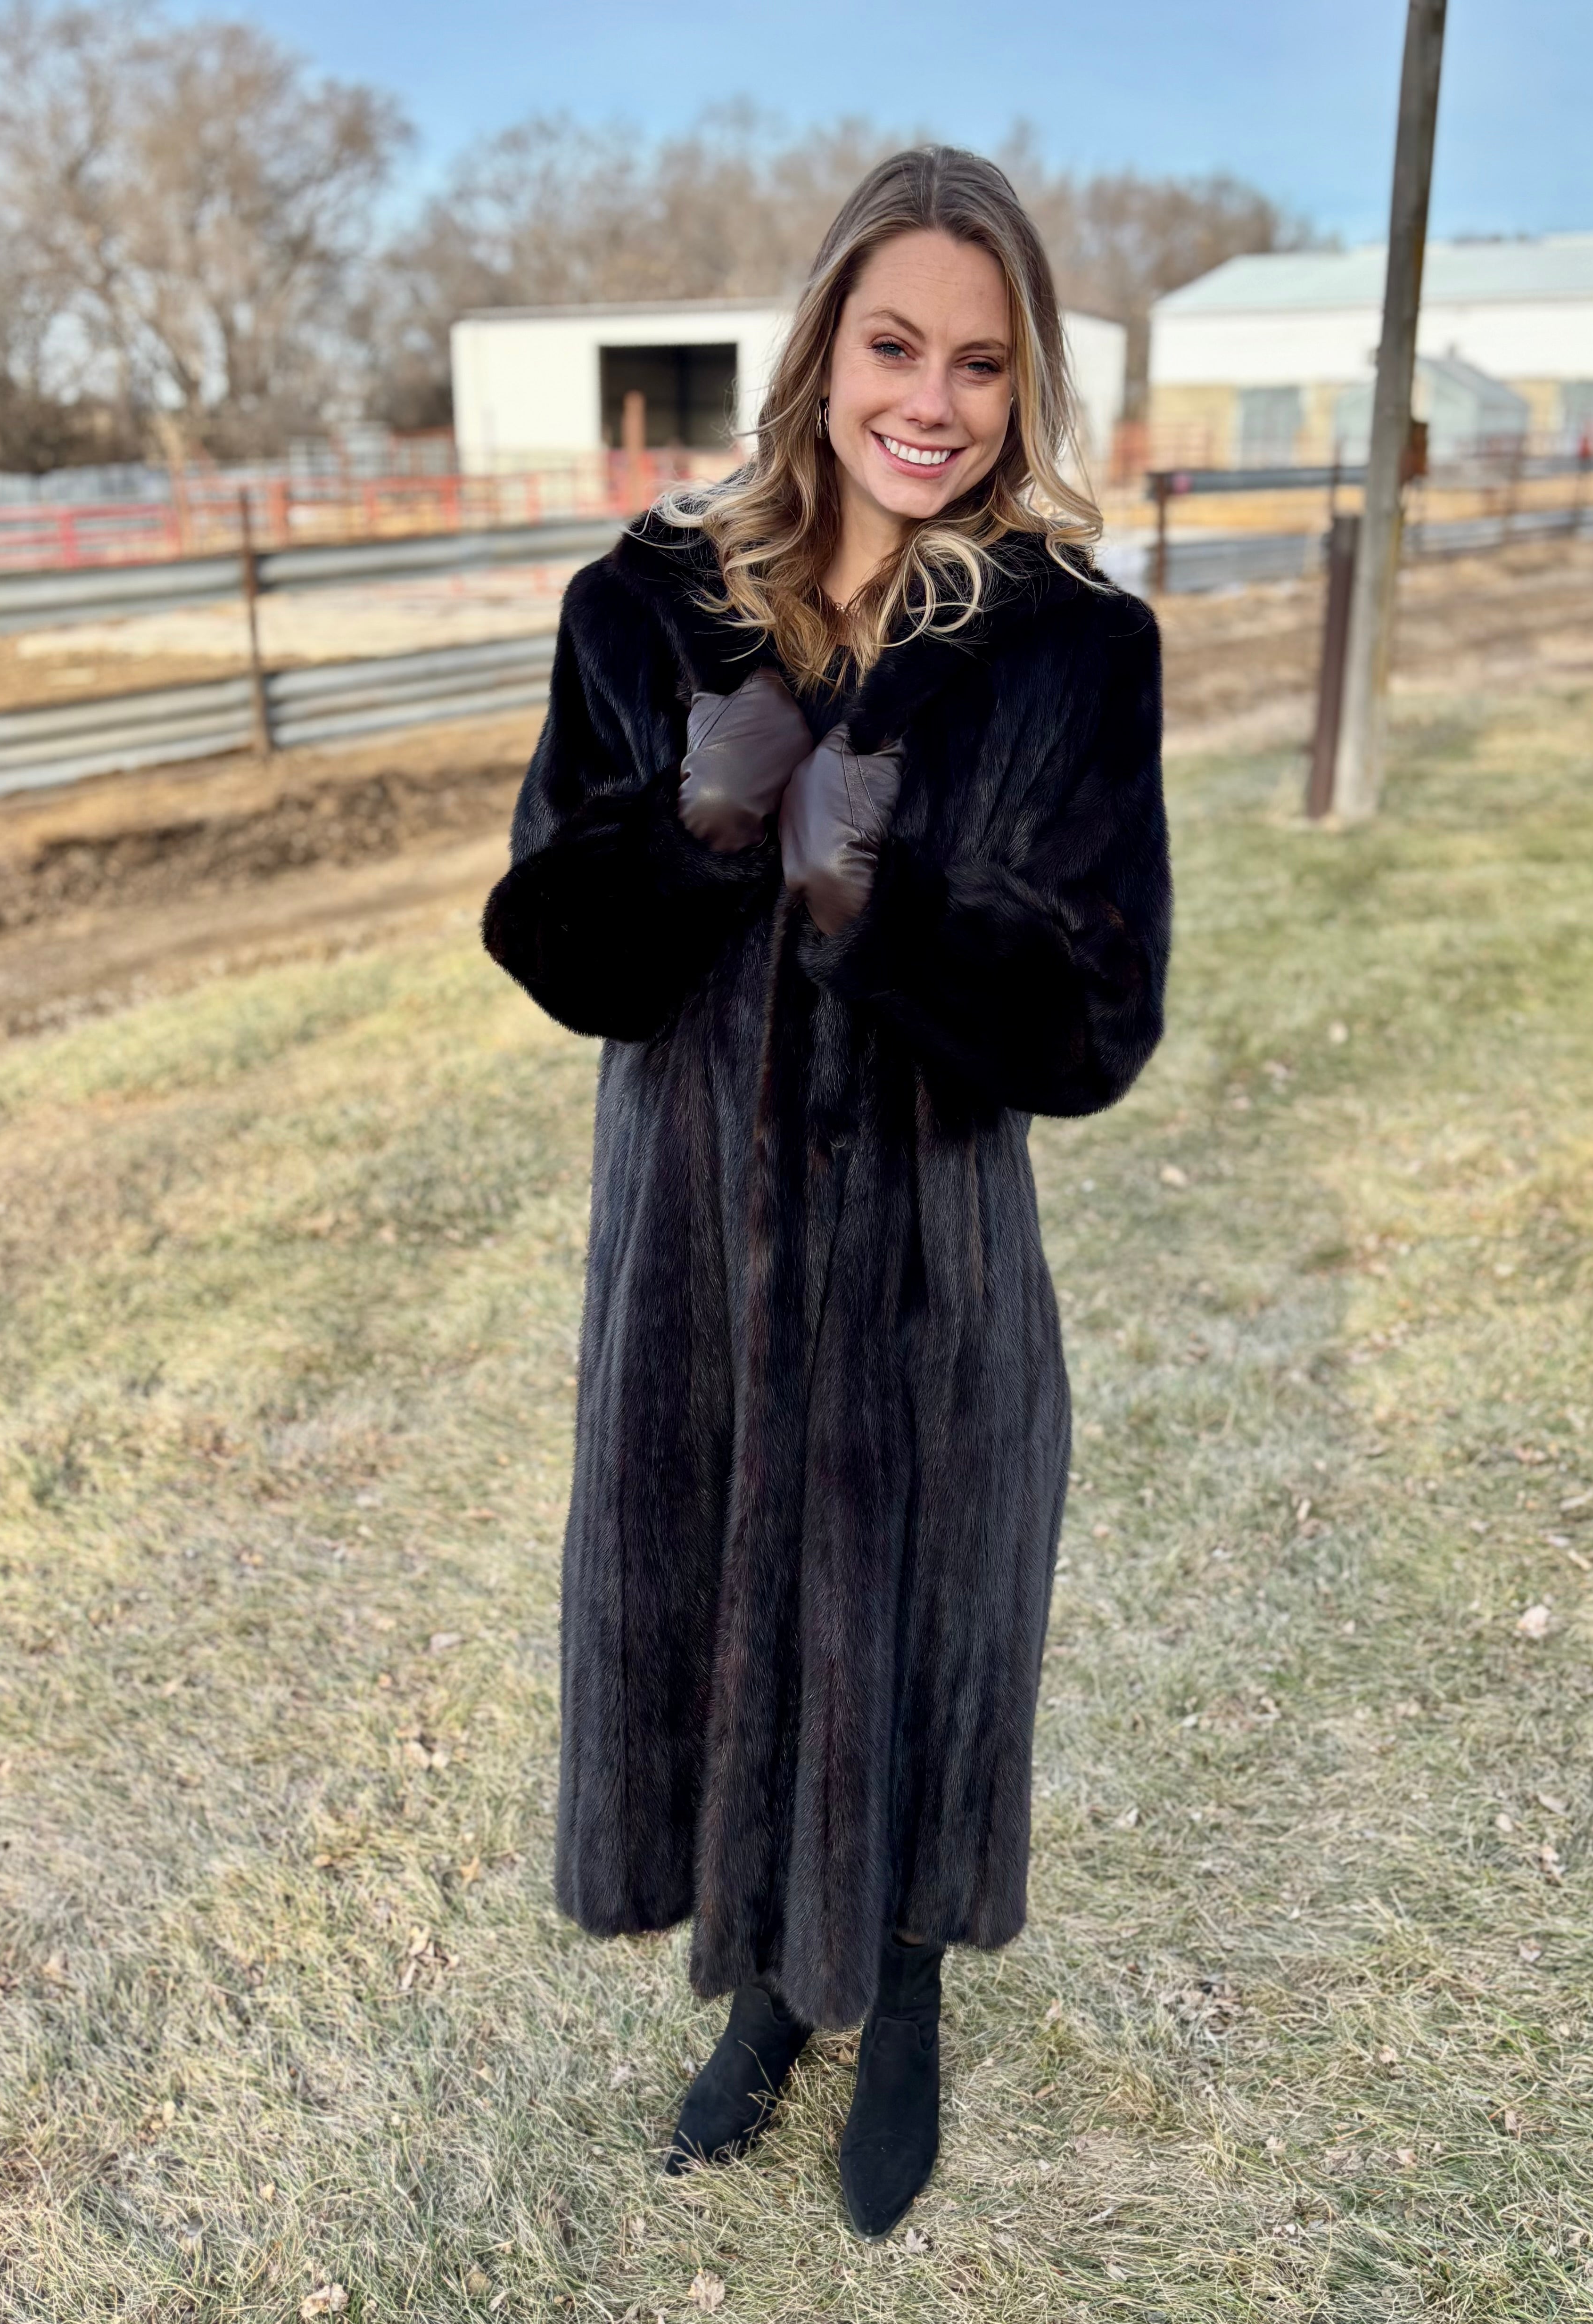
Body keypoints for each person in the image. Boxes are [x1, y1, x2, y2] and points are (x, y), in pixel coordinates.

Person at [483, 144, 1171, 2240]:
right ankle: (766, 1998)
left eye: (981, 361)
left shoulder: (1071, 649)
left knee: (924, 1630)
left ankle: (905, 1998)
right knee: (723, 1623)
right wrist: (698, 829)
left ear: (1024, 383)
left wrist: (883, 906)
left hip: (930, 1278)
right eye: (895, 345)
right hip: (694, 1264)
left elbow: (1093, 1027)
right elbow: (557, 953)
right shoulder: (644, 607)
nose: (931, 401)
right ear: (822, 350)